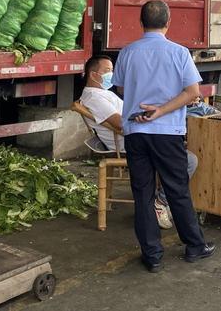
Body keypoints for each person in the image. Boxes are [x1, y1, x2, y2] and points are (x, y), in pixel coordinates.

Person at [112, 0, 214, 273]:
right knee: (177, 190)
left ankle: (153, 255)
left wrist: (143, 101)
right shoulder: (179, 53)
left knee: (143, 194)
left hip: (136, 131)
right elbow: (193, 93)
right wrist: (160, 110)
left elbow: (121, 88)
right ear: (168, 22)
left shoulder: (127, 52)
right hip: (167, 133)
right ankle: (195, 246)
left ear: (140, 22)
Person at [80, 54, 199, 229]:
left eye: (112, 71)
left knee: (186, 128)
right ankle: (161, 202)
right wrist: (149, 118)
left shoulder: (103, 93)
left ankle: (164, 201)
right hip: (131, 142)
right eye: (106, 71)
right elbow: (120, 123)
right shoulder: (94, 98)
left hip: (136, 135)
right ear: (93, 75)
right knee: (189, 159)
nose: (111, 75)